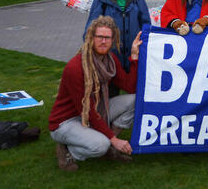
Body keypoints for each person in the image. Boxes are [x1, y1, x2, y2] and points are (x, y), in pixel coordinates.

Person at [49, 16, 141, 171]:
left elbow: (130, 87)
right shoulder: (76, 67)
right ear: (91, 37)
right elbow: (87, 111)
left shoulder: (110, 60)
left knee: (135, 100)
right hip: (66, 121)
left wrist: (134, 55)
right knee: (101, 145)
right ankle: (67, 151)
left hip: (95, 110)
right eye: (99, 37)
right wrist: (113, 140)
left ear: (113, 40)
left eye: (107, 38)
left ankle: (108, 147)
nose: (103, 41)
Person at [84, 0, 150, 72]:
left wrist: (143, 46)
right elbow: (91, 28)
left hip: (134, 55)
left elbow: (146, 23)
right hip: (109, 57)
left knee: (132, 87)